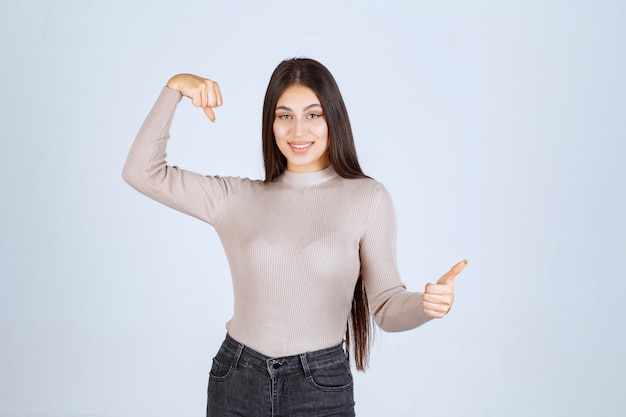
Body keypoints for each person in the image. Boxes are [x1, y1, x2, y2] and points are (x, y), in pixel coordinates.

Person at [123, 58, 466, 417]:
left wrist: (424, 305)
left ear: (333, 119)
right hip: (237, 379)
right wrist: (175, 87)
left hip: (319, 385)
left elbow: (386, 307)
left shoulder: (367, 198)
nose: (298, 130)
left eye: (313, 115)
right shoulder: (235, 199)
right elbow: (141, 172)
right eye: (284, 115)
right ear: (270, 124)